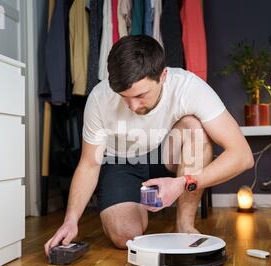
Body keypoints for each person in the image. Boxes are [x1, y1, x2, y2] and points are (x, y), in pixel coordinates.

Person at [44, 35, 253, 254]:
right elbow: (89, 164)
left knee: (195, 127)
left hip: (164, 154)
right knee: (125, 236)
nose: (133, 106)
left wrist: (184, 182)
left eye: (141, 95)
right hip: (119, 161)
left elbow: (242, 155)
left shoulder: (188, 87)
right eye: (124, 97)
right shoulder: (99, 98)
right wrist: (71, 220)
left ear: (163, 76)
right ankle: (133, 202)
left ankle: (184, 224)